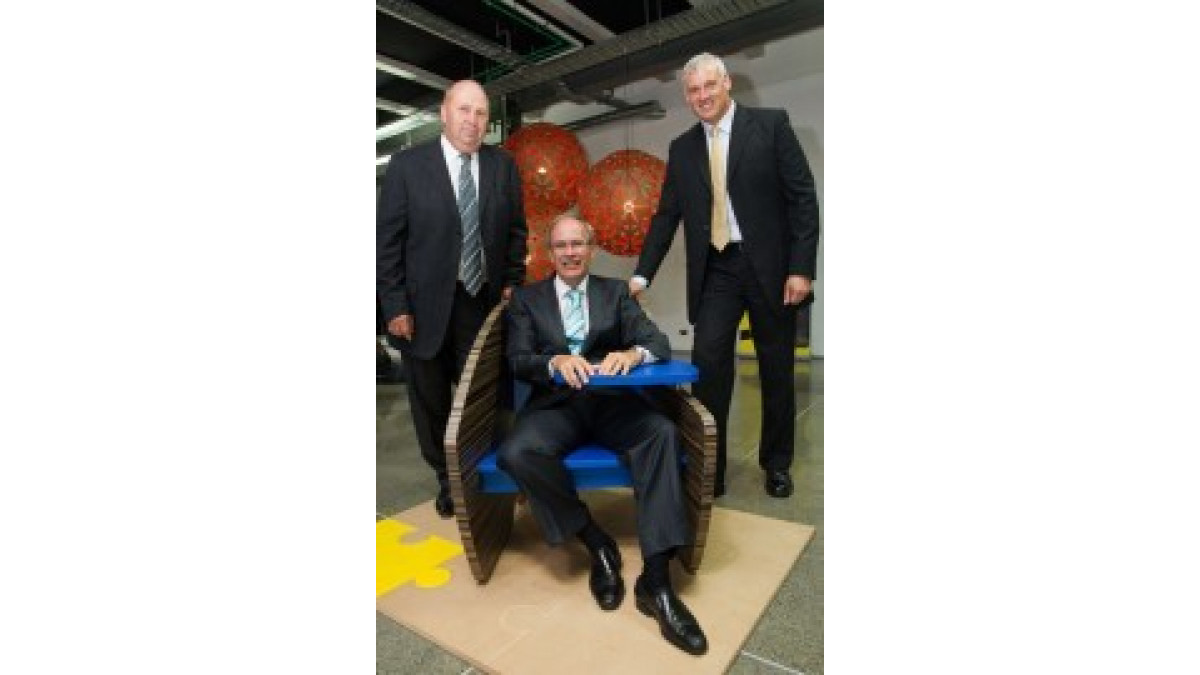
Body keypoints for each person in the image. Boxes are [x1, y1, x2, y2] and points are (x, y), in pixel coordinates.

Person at [498, 215, 708, 656]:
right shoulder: (526, 299)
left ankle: (656, 583)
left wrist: (632, 353)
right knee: (519, 451)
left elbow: (659, 342)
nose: (571, 253)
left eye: (578, 244)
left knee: (662, 434)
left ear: (592, 249)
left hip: (614, 405)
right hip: (557, 406)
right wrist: (555, 363)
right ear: (549, 253)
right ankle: (596, 542)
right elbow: (518, 359)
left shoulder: (616, 292)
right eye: (562, 246)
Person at [630, 52, 820, 499]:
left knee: (776, 369)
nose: (702, 97)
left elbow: (803, 200)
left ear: (727, 83)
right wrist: (642, 275)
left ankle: (776, 464)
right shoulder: (682, 148)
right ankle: (708, 465)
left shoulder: (771, 126)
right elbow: (666, 216)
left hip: (772, 270)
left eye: (709, 86)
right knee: (709, 368)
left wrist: (801, 268)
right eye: (693, 90)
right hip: (716, 270)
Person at [377, 80, 527, 518]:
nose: (472, 121)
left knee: (482, 396)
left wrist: (512, 280)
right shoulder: (408, 166)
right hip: (419, 312)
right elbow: (388, 244)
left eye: (481, 113)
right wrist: (395, 305)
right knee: (431, 401)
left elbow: (516, 231)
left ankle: (480, 474)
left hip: (481, 304)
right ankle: (447, 479)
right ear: (444, 113)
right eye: (464, 110)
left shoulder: (503, 166)